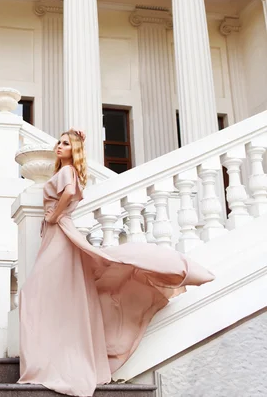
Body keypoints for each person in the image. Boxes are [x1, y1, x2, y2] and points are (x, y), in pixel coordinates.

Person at [17, 129, 215, 397]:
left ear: (74, 150)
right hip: (57, 235)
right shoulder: (65, 171)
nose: (59, 146)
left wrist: (55, 216)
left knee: (35, 294)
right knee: (58, 294)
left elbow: (71, 192)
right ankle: (55, 357)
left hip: (60, 233)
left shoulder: (66, 172)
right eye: (59, 142)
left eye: (65, 143)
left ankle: (53, 361)